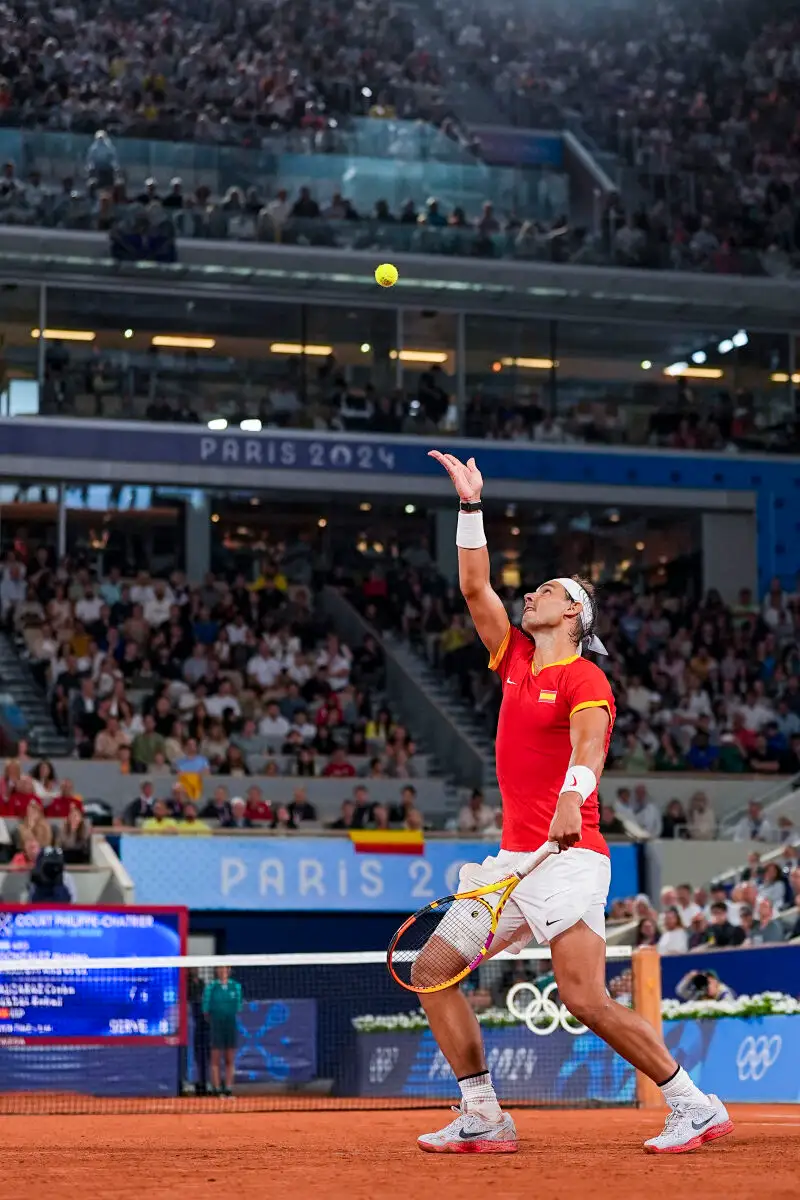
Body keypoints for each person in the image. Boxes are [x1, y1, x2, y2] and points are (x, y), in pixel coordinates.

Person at [419, 448, 732, 1155]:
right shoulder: (517, 660)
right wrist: (471, 507)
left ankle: (693, 1104)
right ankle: (483, 1115)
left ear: (574, 614)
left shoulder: (587, 676)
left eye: (549, 592)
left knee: (585, 998)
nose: (532, 595)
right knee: (432, 972)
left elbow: (589, 748)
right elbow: (475, 589)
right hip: (511, 864)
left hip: (569, 858)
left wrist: (572, 796)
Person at [202, 965, 243, 1097]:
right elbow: (205, 1010)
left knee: (230, 1058)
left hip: (230, 1025)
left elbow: (238, 1006)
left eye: (225, 968)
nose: (222, 971)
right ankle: (217, 1088)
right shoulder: (211, 987)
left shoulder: (236, 987)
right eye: (220, 968)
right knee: (215, 1059)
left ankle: (229, 1088)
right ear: (216, 971)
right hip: (216, 1025)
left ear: (229, 970)